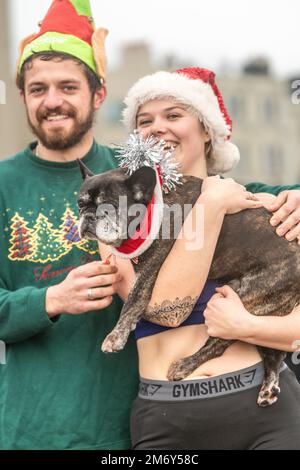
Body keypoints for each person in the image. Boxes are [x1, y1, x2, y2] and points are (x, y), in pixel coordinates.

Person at [99, 67, 300, 450]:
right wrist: (209, 203)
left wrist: (246, 325)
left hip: (265, 412)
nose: (157, 127)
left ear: (207, 129)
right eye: (145, 120)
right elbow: (167, 310)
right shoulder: (119, 214)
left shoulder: (259, 207)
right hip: (167, 421)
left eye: (174, 115)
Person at [0, 0, 138, 450]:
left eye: (67, 87)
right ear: (22, 97)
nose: (52, 101)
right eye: (37, 89)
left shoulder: (137, 174)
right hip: (29, 429)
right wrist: (51, 299)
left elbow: (225, 191)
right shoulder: (3, 184)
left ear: (98, 94)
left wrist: (291, 195)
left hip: (129, 429)